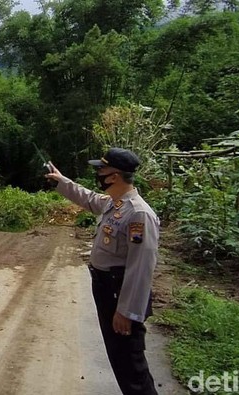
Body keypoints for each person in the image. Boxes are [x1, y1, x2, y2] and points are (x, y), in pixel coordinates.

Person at [45, 147, 159, 395]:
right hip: (107, 288)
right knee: (119, 358)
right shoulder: (114, 203)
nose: (98, 173)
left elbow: (141, 269)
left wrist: (127, 311)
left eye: (101, 169)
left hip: (119, 292)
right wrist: (61, 180)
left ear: (114, 176)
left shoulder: (139, 214)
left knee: (131, 366)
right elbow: (87, 197)